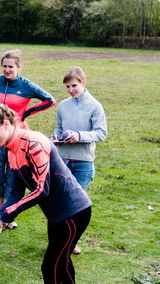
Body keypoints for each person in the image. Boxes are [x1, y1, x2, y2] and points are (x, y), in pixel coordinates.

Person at [0, 101, 91, 284]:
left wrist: (8, 216)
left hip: (72, 211)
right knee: (61, 259)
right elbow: (14, 195)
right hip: (57, 214)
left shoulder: (34, 143)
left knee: (50, 266)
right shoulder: (11, 151)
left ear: (6, 124)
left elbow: (42, 190)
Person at [0, 49, 55, 228]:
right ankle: (1, 211)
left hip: (16, 139)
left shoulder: (26, 85)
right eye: (4, 66)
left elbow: (50, 100)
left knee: (13, 177)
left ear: (18, 67)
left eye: (11, 67)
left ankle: (7, 216)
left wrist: (26, 113)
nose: (7, 70)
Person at [52, 66, 107, 253]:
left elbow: (101, 133)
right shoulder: (63, 105)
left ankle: (71, 242)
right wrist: (56, 138)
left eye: (74, 85)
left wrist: (79, 135)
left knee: (75, 205)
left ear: (83, 82)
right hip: (62, 161)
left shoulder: (95, 106)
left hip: (83, 163)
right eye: (67, 87)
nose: (70, 90)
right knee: (61, 202)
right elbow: (58, 129)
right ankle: (61, 240)